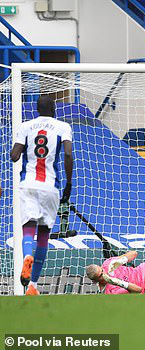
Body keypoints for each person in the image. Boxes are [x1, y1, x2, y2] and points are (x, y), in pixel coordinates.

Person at [10, 96, 73, 296]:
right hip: (50, 187)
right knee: (44, 235)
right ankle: (33, 286)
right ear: (54, 108)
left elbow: (14, 156)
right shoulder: (63, 126)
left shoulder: (26, 126)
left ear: (36, 109)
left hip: (27, 185)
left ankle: (27, 256)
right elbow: (68, 154)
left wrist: (20, 148)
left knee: (28, 229)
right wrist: (69, 183)